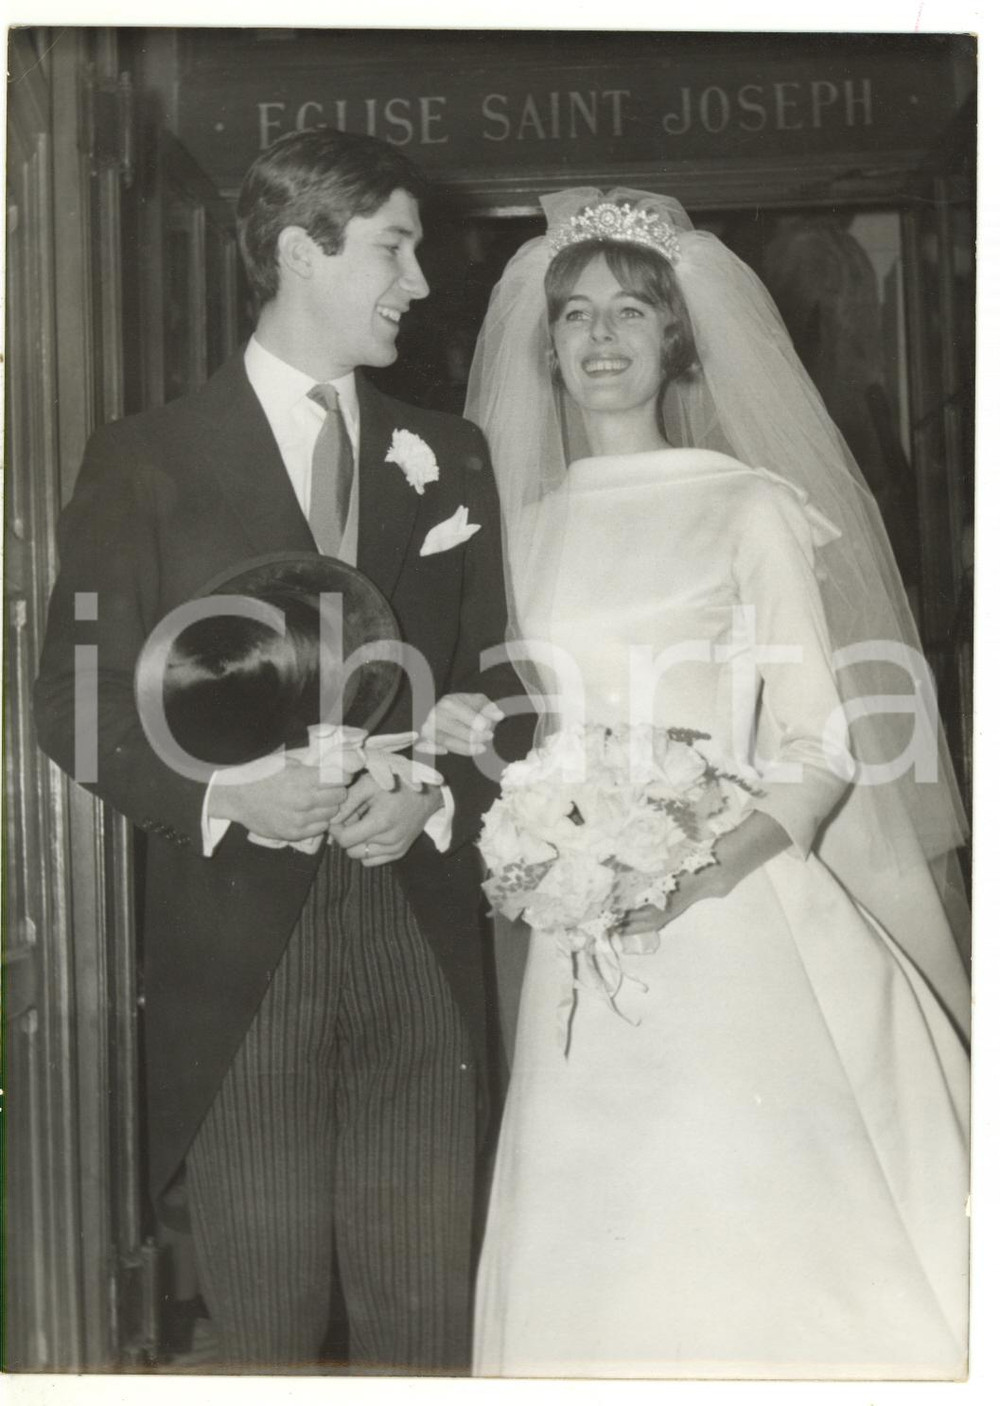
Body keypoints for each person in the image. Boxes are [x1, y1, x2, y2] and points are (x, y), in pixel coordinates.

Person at [33, 128, 532, 1372]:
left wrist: (434, 795)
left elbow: (502, 682)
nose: (420, 281)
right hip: (238, 954)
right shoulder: (144, 457)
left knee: (429, 1327)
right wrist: (229, 792)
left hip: (419, 939)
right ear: (304, 249)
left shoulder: (452, 454)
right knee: (261, 1332)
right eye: (394, 249)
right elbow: (74, 695)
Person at [456, 189, 971, 1378]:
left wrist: (695, 870)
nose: (600, 337)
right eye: (574, 314)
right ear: (547, 345)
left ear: (676, 340)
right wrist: (542, 831)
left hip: (738, 905)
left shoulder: (747, 504)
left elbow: (818, 744)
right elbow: (518, 718)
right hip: (583, 924)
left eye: (630, 312)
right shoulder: (518, 527)